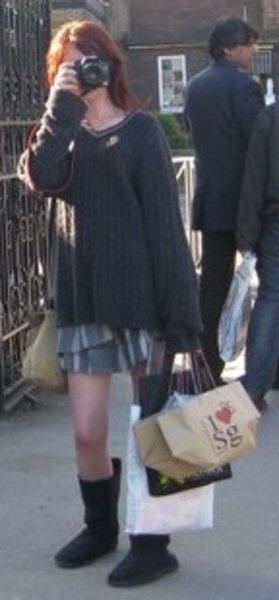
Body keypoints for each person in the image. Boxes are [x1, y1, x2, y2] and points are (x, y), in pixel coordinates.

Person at [18, 20, 202, 587]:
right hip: (83, 299)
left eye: (90, 59)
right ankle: (100, 527)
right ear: (58, 75)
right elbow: (40, 178)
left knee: (155, 425)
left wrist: (184, 322)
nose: (83, 70)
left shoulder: (143, 131)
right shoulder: (60, 130)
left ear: (110, 64)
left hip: (144, 297)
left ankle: (153, 541)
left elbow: (167, 232)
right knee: (87, 433)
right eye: (70, 63)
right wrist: (61, 106)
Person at [183, 17, 264, 384]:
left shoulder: (195, 86)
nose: (254, 50)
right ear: (229, 48)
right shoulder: (244, 87)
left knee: (212, 287)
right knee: (270, 286)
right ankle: (263, 372)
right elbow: (259, 145)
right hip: (249, 204)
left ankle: (206, 370)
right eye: (249, 44)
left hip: (211, 201)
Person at [237, 99, 279, 411]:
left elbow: (255, 178)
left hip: (275, 218)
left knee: (271, 298)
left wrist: (247, 234)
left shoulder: (270, 118)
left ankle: (253, 387)